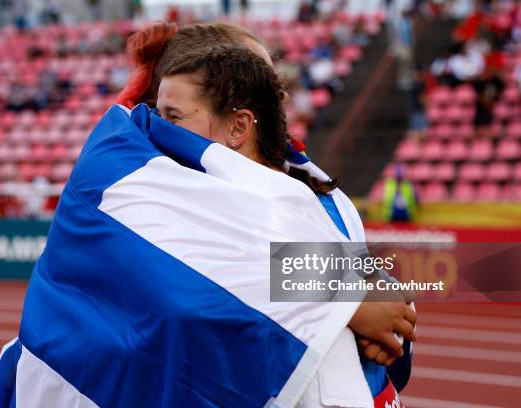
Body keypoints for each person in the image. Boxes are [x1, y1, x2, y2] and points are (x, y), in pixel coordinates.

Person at [118, 18, 415, 366]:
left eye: (272, 82)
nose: (281, 97)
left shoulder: (308, 188)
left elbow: (374, 291)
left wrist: (382, 307)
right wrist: (345, 298)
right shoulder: (155, 196)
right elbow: (206, 273)